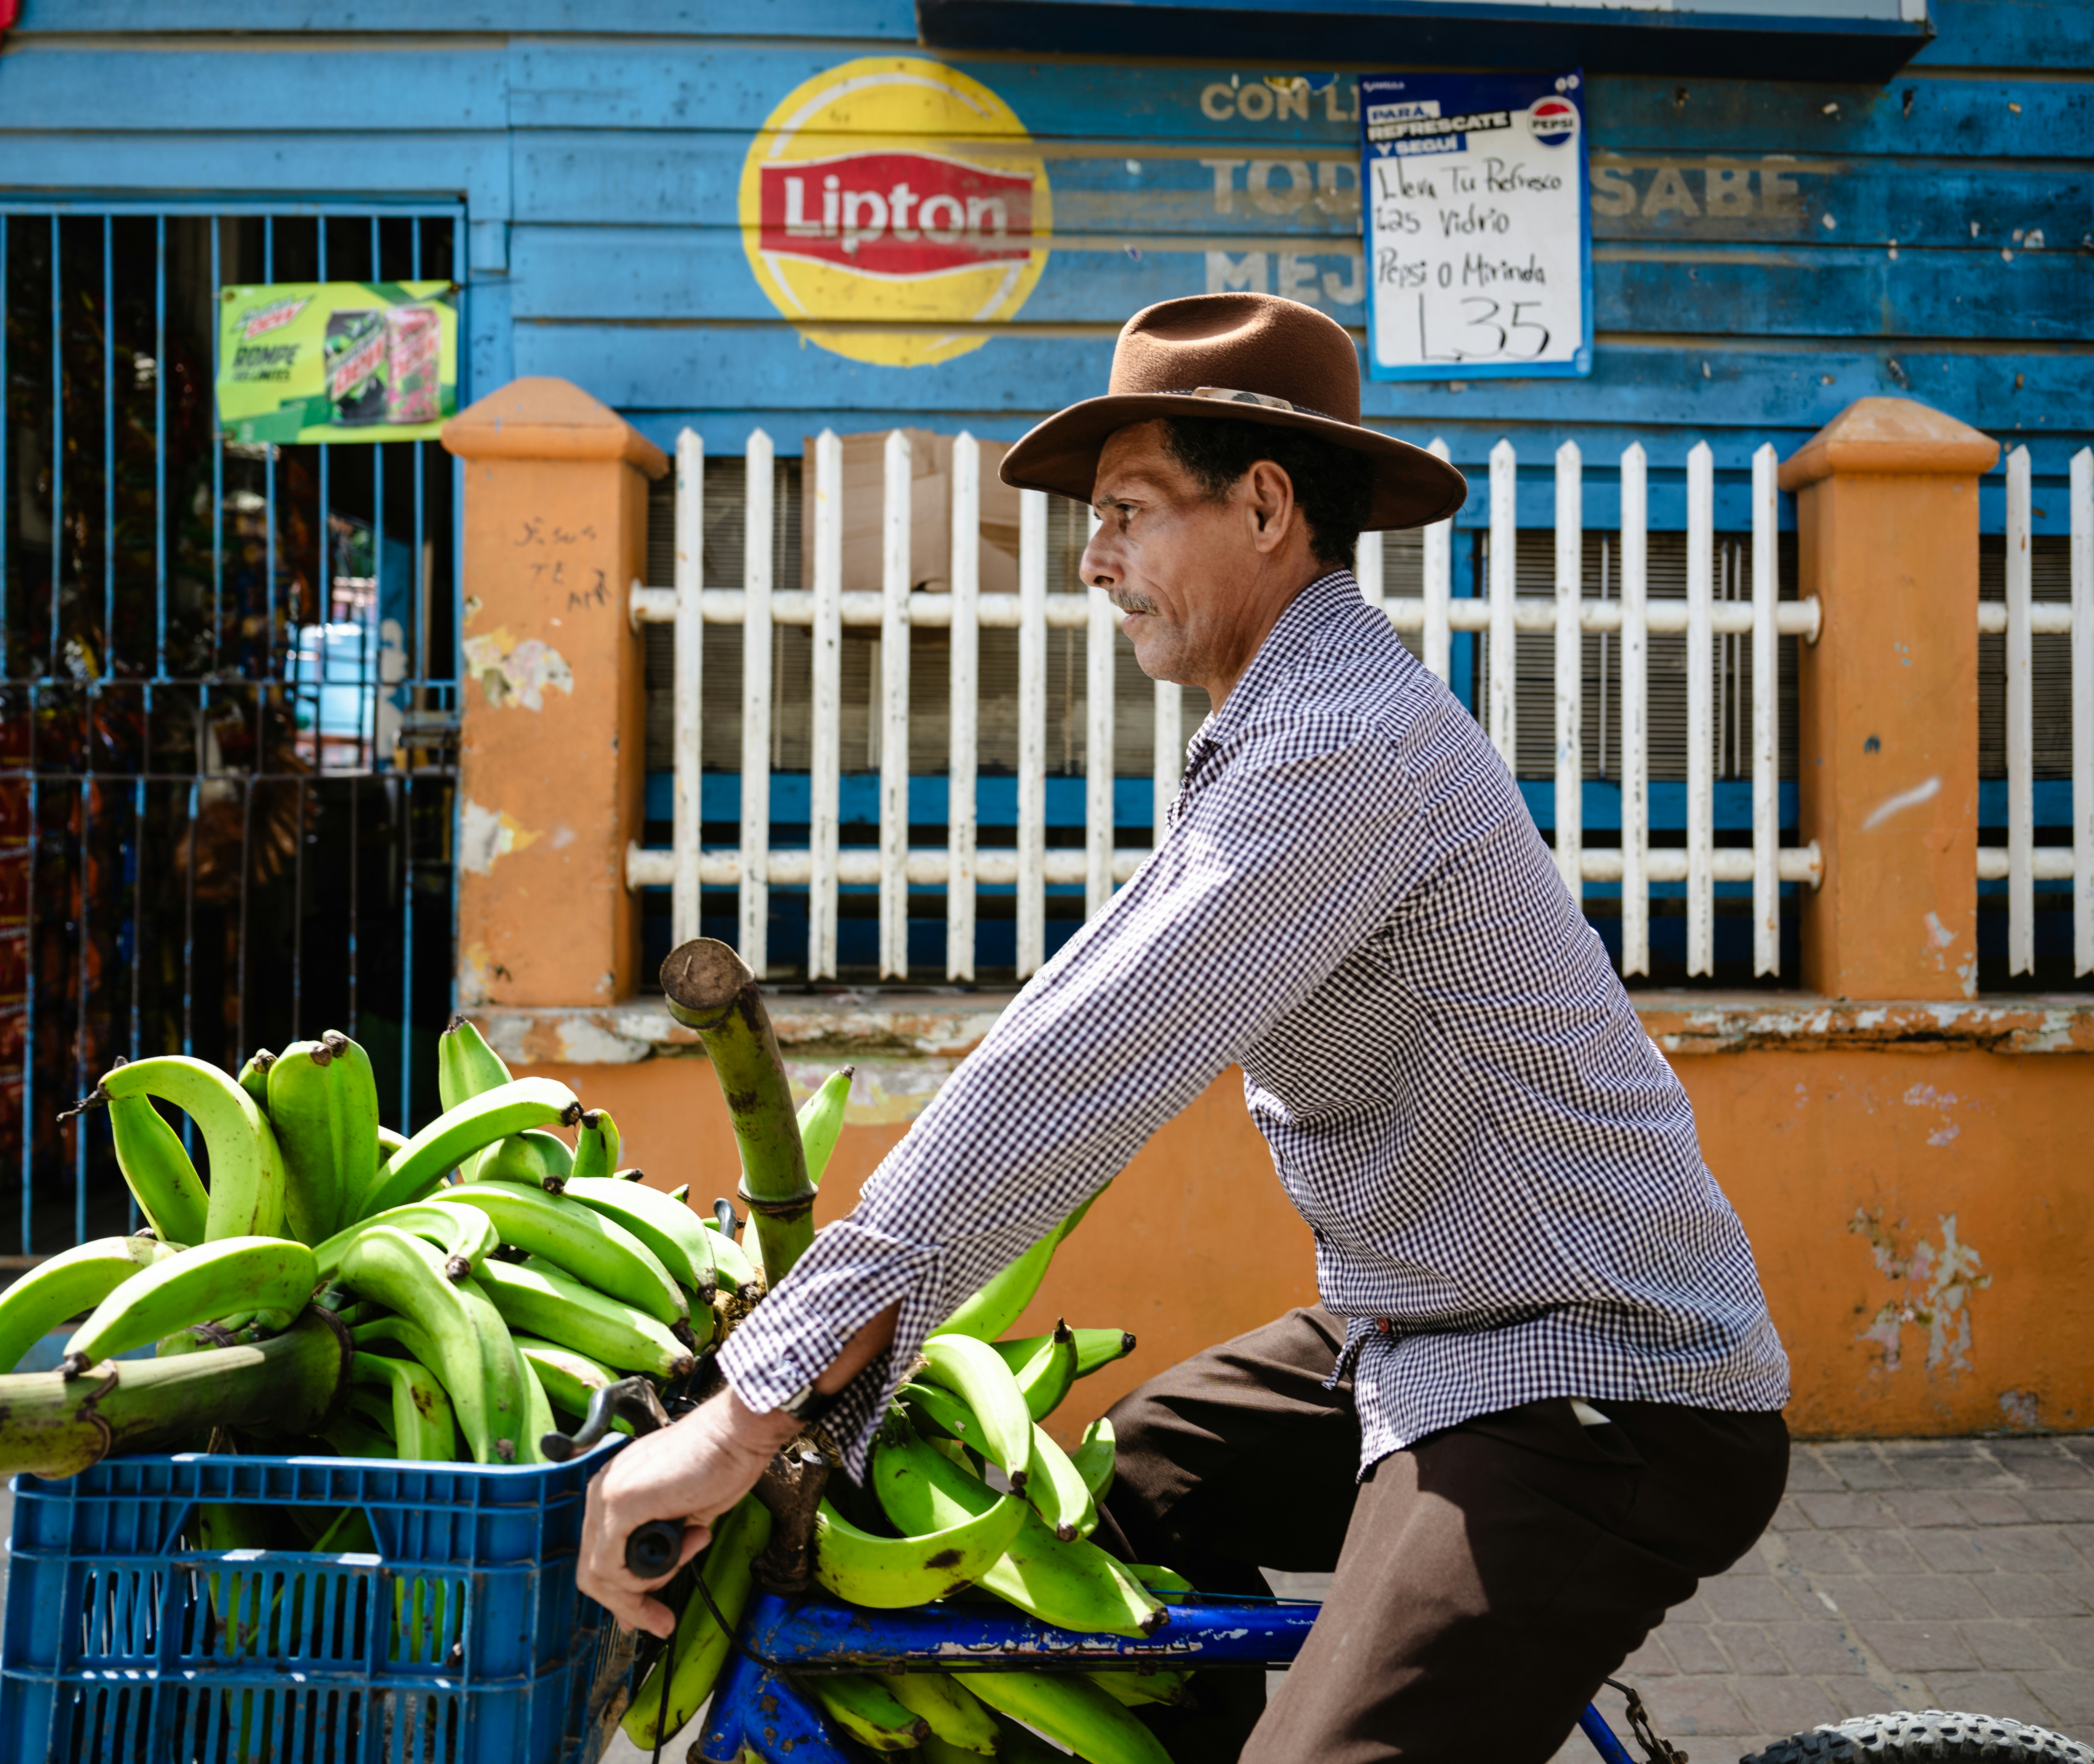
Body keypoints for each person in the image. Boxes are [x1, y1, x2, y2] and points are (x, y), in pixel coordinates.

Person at [576, 293, 1791, 1764]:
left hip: (1595, 1378)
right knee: (1137, 1486)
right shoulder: (1283, 721)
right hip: (1413, 1325)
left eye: (1131, 511)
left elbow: (1082, 1065)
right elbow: (1089, 997)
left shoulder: (1342, 748)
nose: (1094, 560)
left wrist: (757, 1399)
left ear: (1267, 504)